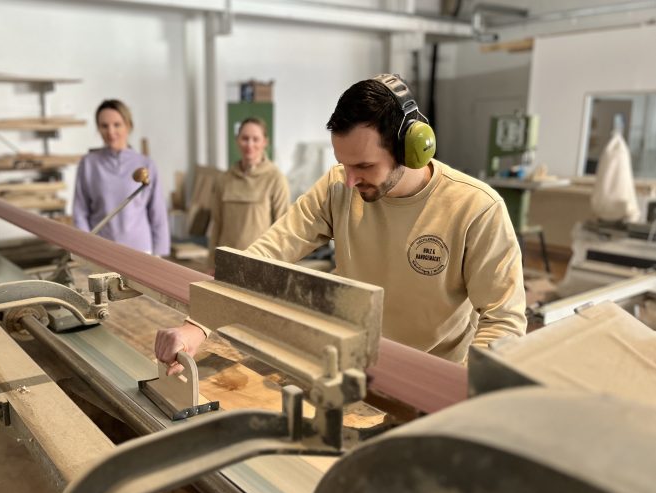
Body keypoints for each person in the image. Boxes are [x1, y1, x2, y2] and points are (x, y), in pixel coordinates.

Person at [155, 74, 526, 373]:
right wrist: (198, 324)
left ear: (410, 150)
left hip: (433, 381)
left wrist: (462, 389)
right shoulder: (338, 186)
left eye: (364, 166)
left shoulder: (476, 209)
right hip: (353, 368)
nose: (349, 180)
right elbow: (265, 255)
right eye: (343, 164)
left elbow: (503, 321)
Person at [73, 99, 170, 256]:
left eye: (117, 125)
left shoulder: (146, 164)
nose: (110, 131)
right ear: (98, 128)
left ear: (128, 125)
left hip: (141, 251)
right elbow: (80, 211)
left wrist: (159, 254)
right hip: (101, 250)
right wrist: (86, 247)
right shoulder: (89, 163)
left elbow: (158, 213)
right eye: (104, 126)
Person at [208, 117, 289, 268]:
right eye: (245, 138)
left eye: (255, 139)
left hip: (260, 265)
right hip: (227, 263)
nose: (250, 144)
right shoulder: (224, 179)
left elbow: (283, 232)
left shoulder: (276, 179)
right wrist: (211, 263)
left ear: (265, 142)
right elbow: (217, 224)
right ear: (237, 140)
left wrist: (279, 270)